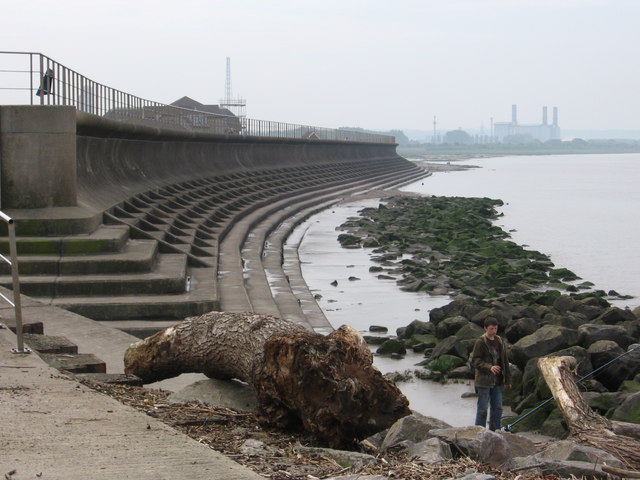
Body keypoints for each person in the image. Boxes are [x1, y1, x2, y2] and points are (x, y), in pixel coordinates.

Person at [471, 317, 511, 431]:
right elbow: (475, 360)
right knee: (482, 409)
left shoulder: (500, 340)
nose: (494, 331)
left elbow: (505, 361)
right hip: (484, 382)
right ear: (485, 328)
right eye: (491, 329)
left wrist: (508, 380)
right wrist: (489, 367)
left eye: (495, 328)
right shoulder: (480, 342)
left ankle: (495, 432)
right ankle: (479, 432)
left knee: (497, 408)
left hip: (498, 381)